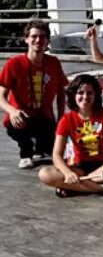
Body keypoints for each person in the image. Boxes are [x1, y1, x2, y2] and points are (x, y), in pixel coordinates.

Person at [38, 75, 103, 196]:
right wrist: (67, 173)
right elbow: (56, 155)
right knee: (45, 173)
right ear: (73, 95)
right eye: (80, 93)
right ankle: (102, 189)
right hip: (80, 168)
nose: (85, 97)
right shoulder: (66, 119)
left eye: (90, 93)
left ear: (96, 95)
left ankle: (75, 188)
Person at [0, 19, 68, 169]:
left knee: (51, 149)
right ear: (26, 39)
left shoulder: (53, 63)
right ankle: (26, 153)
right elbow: (1, 95)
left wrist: (61, 118)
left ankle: (40, 148)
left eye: (43, 37)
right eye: (34, 36)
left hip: (44, 116)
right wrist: (12, 111)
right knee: (17, 124)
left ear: (47, 40)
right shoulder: (14, 63)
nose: (38, 40)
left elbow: (61, 92)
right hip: (22, 115)